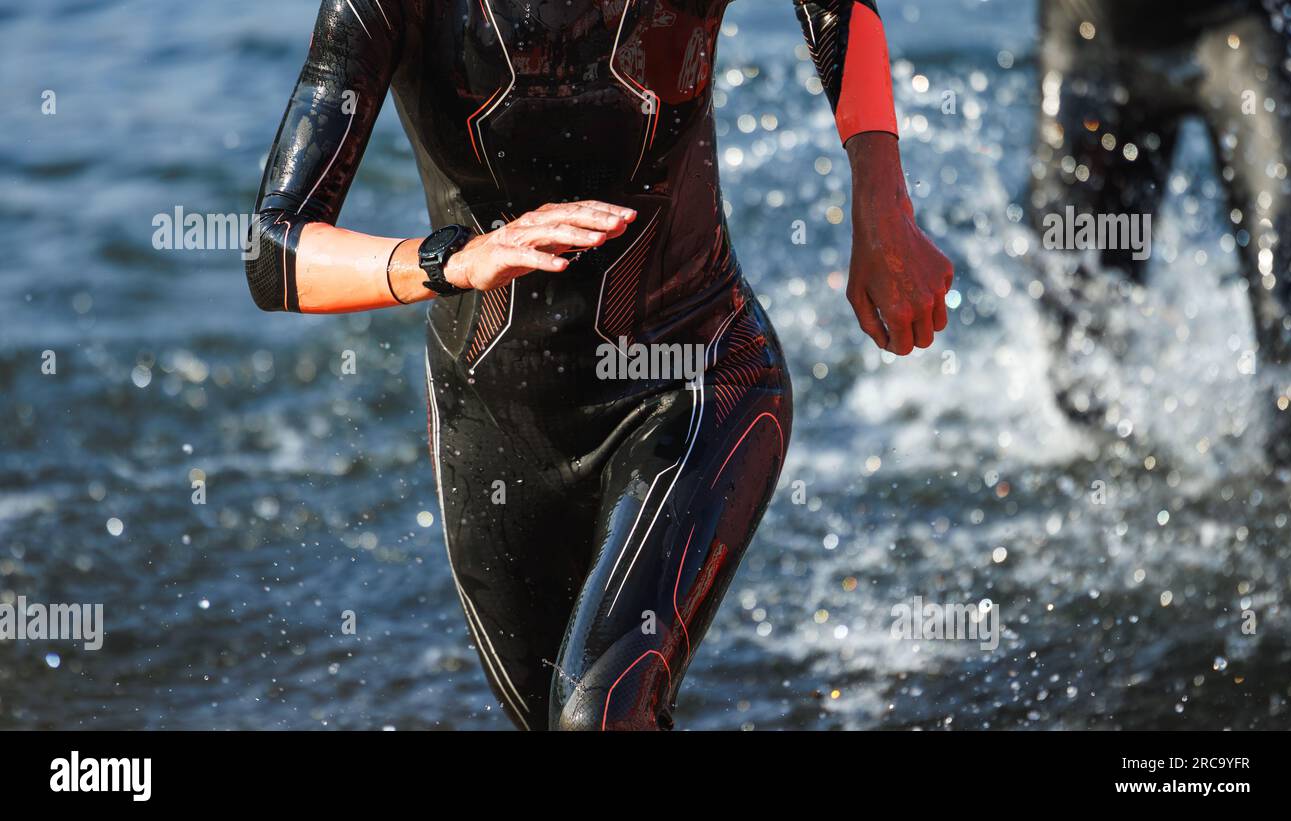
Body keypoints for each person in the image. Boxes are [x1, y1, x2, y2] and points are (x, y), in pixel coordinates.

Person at [245, 0, 952, 730]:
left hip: (693, 376)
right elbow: (273, 253)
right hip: (494, 425)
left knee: (599, 714)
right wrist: (452, 260)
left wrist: (883, 203)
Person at [1030, 0, 1291, 463]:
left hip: (1243, 28)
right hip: (1091, 36)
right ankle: (1110, 513)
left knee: (1287, 321)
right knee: (1079, 348)